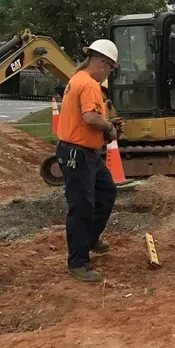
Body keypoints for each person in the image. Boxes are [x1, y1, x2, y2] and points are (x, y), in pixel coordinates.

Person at [55, 39, 122, 283]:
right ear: (103, 63)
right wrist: (110, 128)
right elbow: (91, 117)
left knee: (106, 192)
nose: (108, 74)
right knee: (81, 207)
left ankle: (91, 238)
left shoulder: (77, 79)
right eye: (110, 68)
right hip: (78, 154)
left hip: (86, 153)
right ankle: (78, 262)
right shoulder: (89, 84)